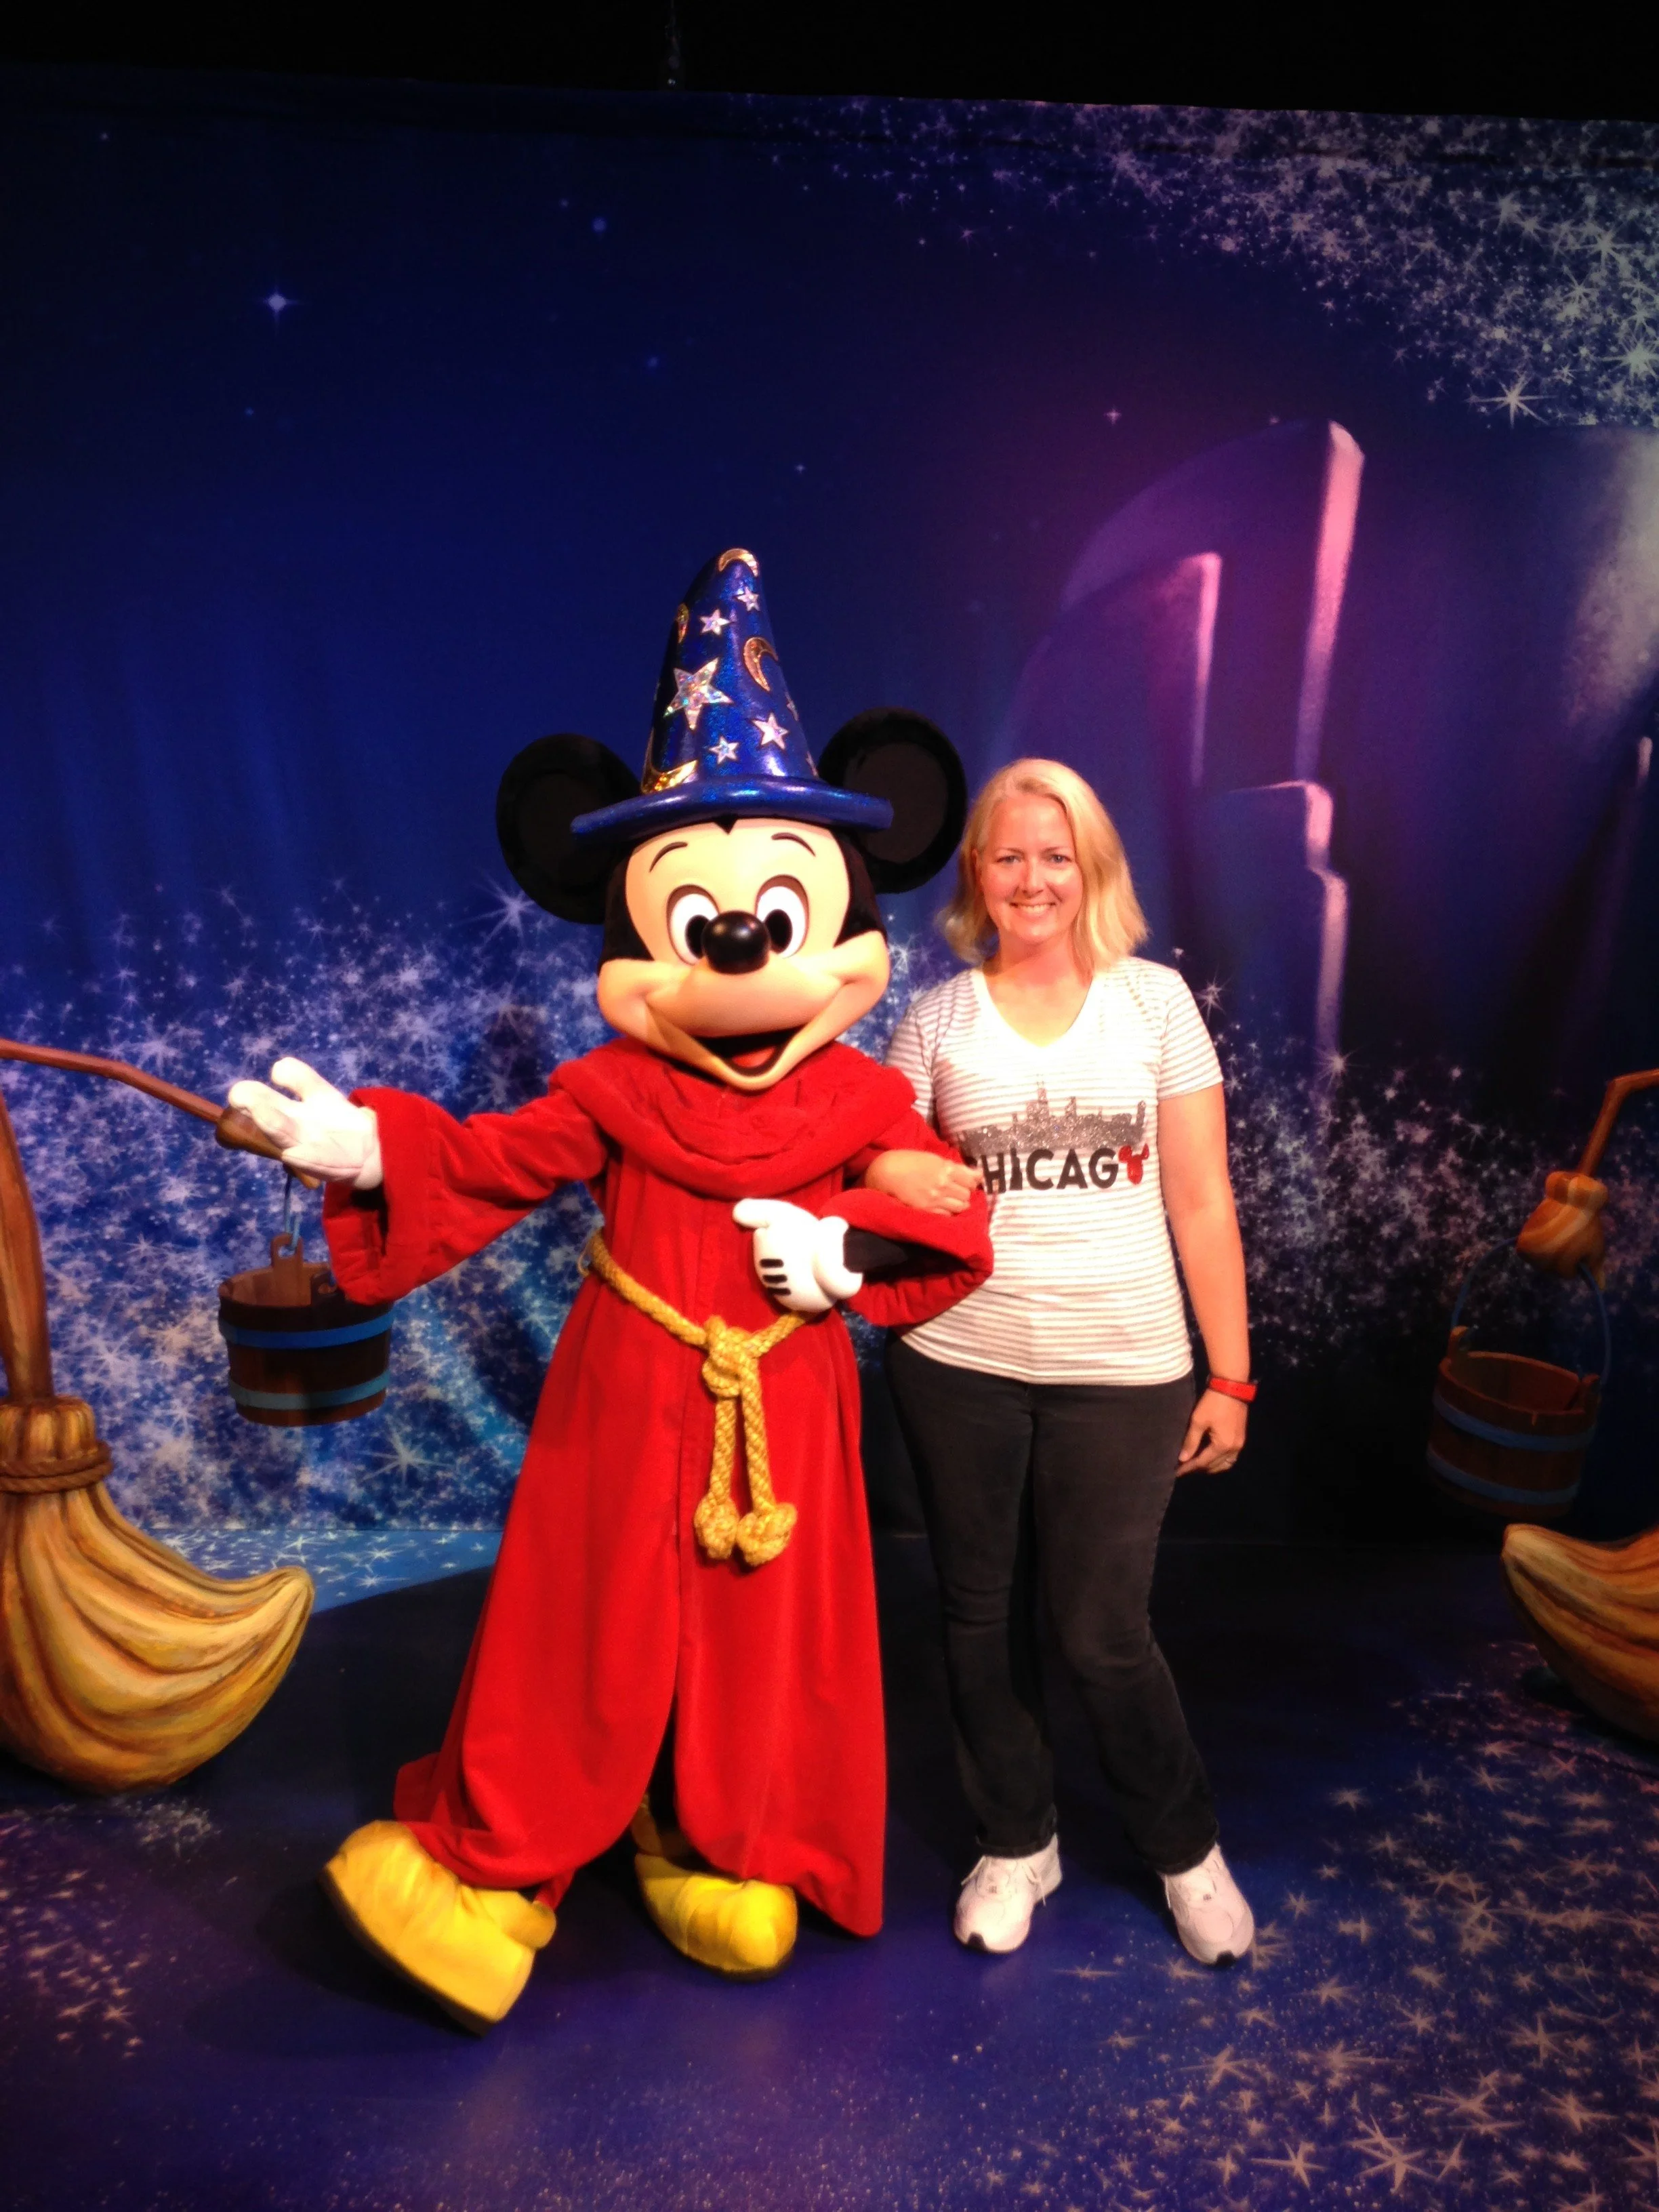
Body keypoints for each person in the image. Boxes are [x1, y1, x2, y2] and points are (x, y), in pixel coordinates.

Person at [864, 756, 1256, 1965]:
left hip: (1126, 1367)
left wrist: (1231, 1376)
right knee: (979, 1617)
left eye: (1055, 855)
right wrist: (886, 1165)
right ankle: (1015, 1841)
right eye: (1007, 855)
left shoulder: (1156, 1004)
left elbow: (1201, 1200)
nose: (1032, 879)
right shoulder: (936, 1019)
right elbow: (869, 1160)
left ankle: (1184, 1850)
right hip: (957, 1363)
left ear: (1093, 869)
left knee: (1100, 1630)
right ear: (976, 874)